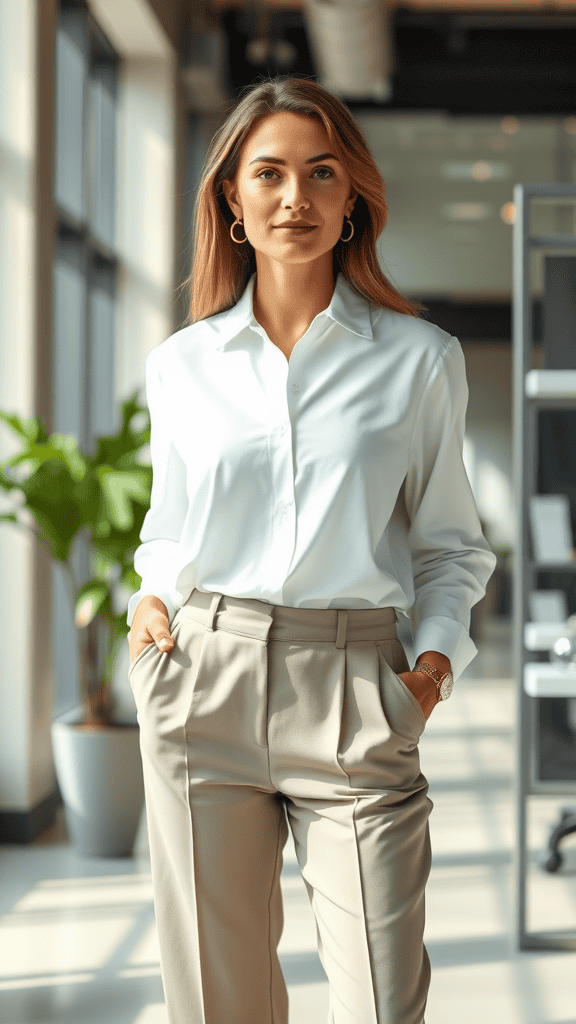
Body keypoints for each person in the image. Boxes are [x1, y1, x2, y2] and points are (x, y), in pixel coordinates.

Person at [127, 75, 497, 1024]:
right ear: (235, 203)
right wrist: (151, 600)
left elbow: (452, 543)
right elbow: (169, 528)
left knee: (381, 996)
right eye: (271, 174)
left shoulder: (420, 360)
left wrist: (431, 668)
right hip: (203, 677)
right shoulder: (182, 366)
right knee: (219, 1000)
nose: (296, 196)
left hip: (355, 688)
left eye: (321, 173)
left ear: (351, 200)